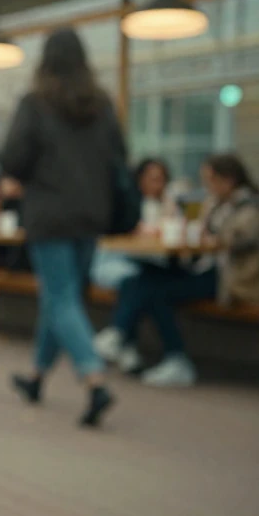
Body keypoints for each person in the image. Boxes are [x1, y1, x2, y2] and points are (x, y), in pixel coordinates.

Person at [2, 27, 120, 426]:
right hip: (91, 214)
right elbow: (120, 156)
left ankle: (94, 380)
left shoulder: (36, 103)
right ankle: (36, 377)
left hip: (49, 214)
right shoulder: (102, 104)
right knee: (63, 298)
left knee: (61, 297)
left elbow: (12, 159)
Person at [96, 153, 259, 387]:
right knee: (139, 279)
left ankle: (171, 357)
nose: (206, 187)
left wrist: (213, 239)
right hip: (204, 267)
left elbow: (240, 242)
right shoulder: (218, 203)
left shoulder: (249, 207)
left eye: (210, 181)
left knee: (158, 292)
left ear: (228, 180)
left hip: (230, 278)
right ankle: (121, 338)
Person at [92, 157, 172, 371]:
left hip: (148, 264)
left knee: (140, 284)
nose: (158, 184)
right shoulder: (127, 204)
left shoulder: (168, 206)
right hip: (115, 261)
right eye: (153, 178)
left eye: (162, 179)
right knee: (136, 283)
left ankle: (119, 337)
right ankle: (125, 345)